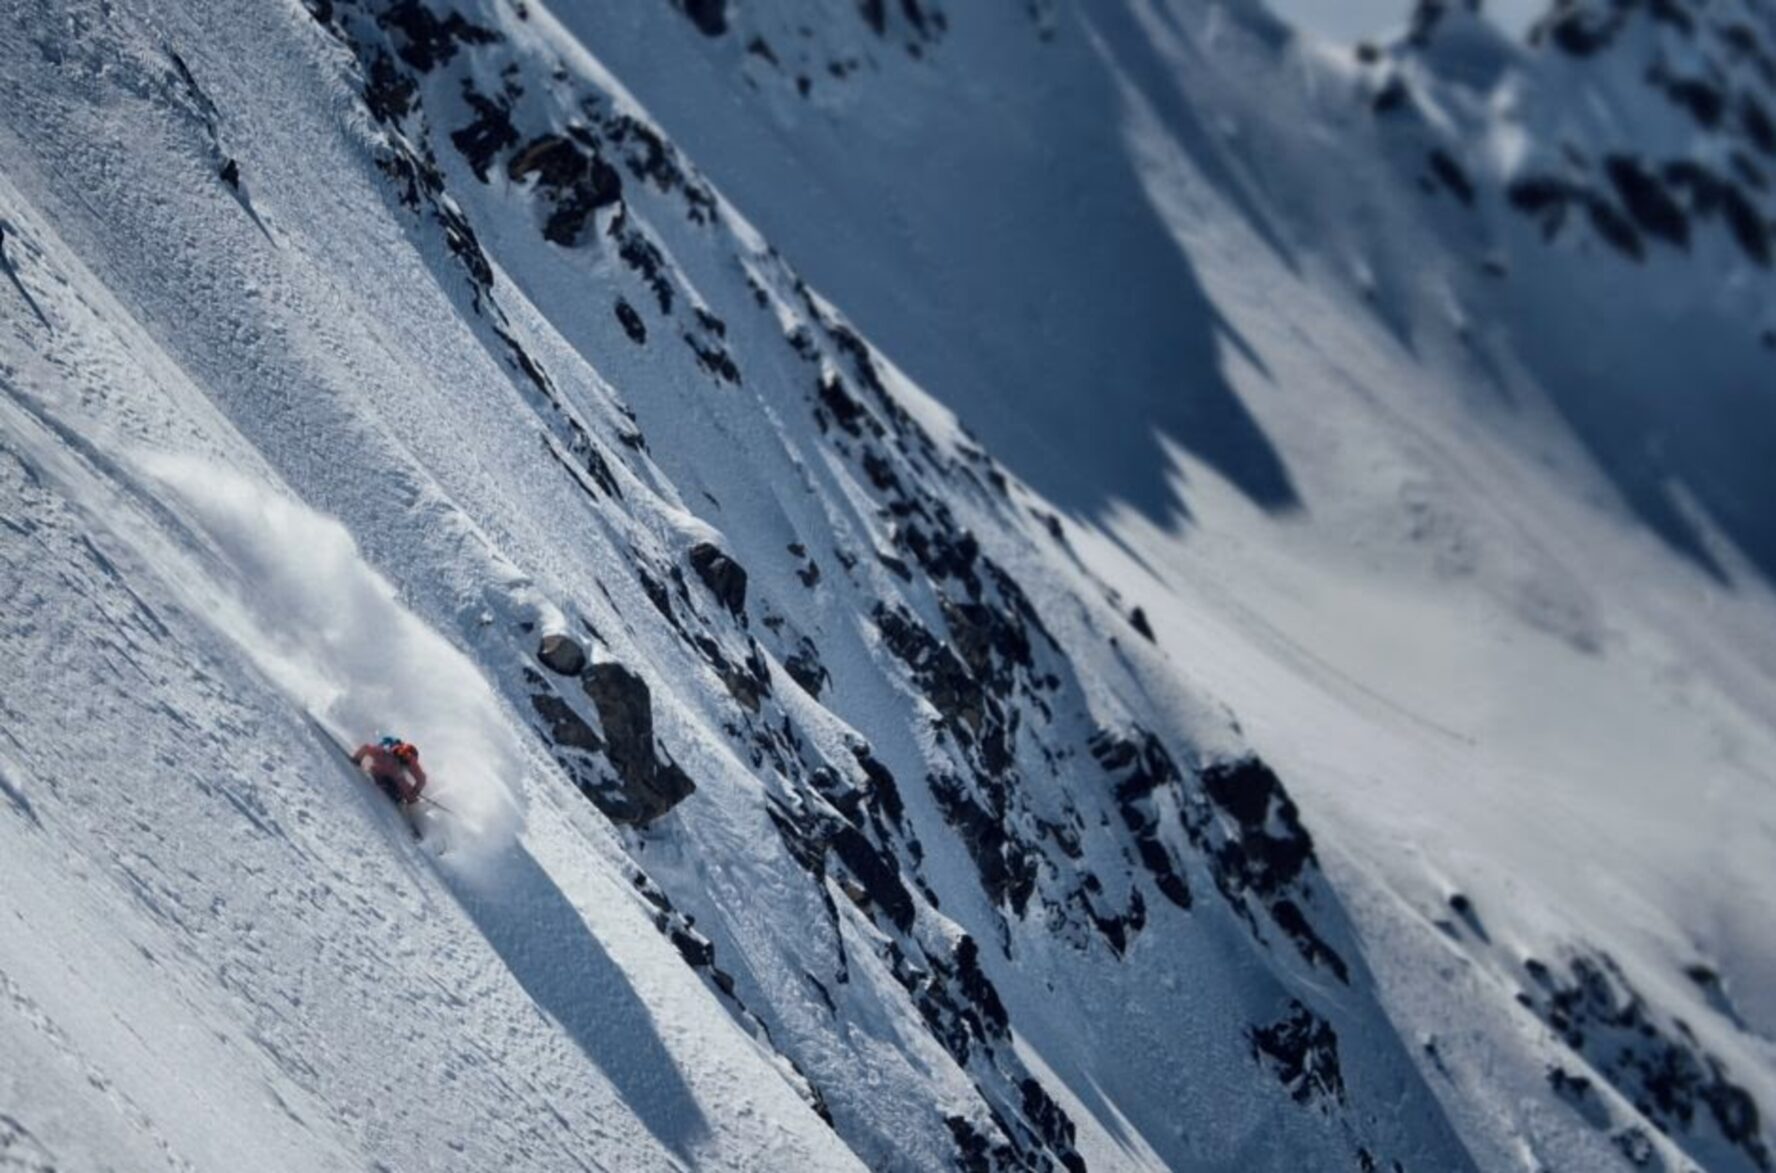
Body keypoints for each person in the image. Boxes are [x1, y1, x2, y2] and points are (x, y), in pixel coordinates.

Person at [352, 736, 428, 807]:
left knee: (406, 791)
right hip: (379, 773)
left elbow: (421, 779)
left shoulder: (406, 766)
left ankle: (402, 801)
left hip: (392, 781)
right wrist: (356, 761)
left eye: (407, 758)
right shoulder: (382, 754)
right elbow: (366, 748)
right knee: (403, 787)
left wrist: (415, 792)